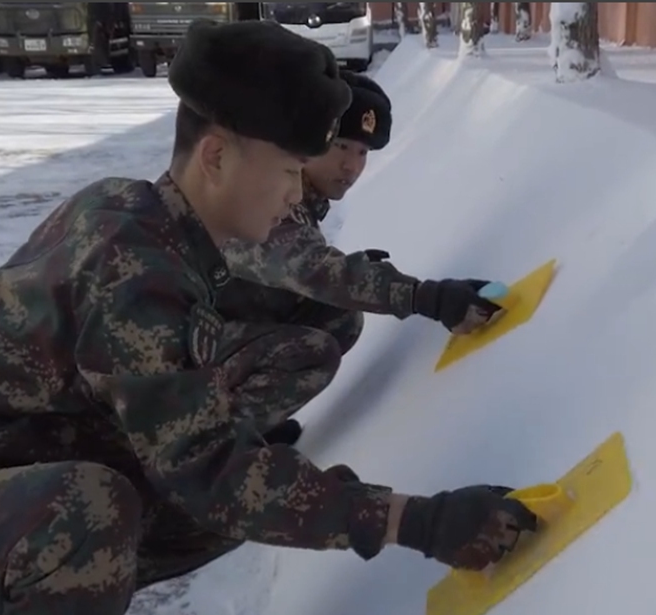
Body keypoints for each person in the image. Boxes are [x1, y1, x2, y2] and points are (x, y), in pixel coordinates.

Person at [0, 19, 539, 615]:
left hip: (8, 481)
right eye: (288, 170)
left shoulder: (152, 223)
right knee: (104, 507)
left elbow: (208, 470)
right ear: (216, 157)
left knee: (217, 507)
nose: (297, 194)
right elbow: (214, 473)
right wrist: (421, 522)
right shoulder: (132, 266)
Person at [217, 70, 508, 447]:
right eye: (340, 146)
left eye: (362, 152)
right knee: (313, 349)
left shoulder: (295, 190)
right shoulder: (262, 190)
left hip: (210, 339)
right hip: (168, 364)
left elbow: (296, 268)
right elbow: (310, 268)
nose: (351, 166)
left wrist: (357, 279)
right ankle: (209, 450)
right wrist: (425, 297)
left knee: (338, 316)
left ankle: (247, 426)